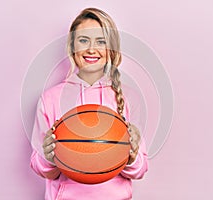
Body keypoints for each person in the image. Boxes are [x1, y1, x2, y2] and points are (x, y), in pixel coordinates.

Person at [30, 7, 148, 200]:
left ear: (111, 48)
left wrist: (132, 155)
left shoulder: (129, 98)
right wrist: (49, 156)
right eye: (83, 40)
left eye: (100, 41)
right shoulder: (50, 99)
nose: (91, 49)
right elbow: (39, 166)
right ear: (72, 47)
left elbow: (140, 170)